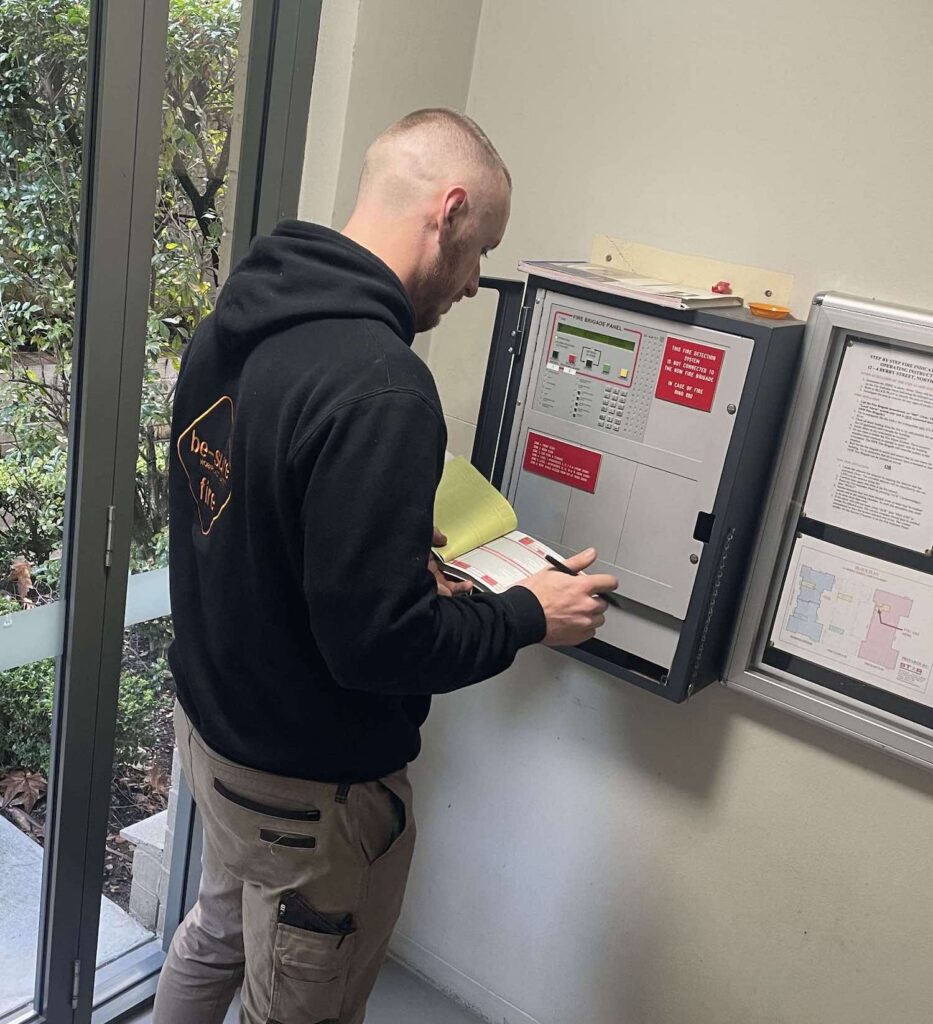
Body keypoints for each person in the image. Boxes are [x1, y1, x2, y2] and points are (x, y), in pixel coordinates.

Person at [153, 108, 616, 1024]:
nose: (477, 283)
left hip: (214, 732)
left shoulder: (235, 324)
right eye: (481, 249)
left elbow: (241, 514)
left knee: (214, 935)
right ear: (447, 212)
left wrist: (384, 554)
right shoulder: (382, 385)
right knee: (295, 1004)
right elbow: (378, 649)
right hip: (307, 786)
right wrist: (530, 614)